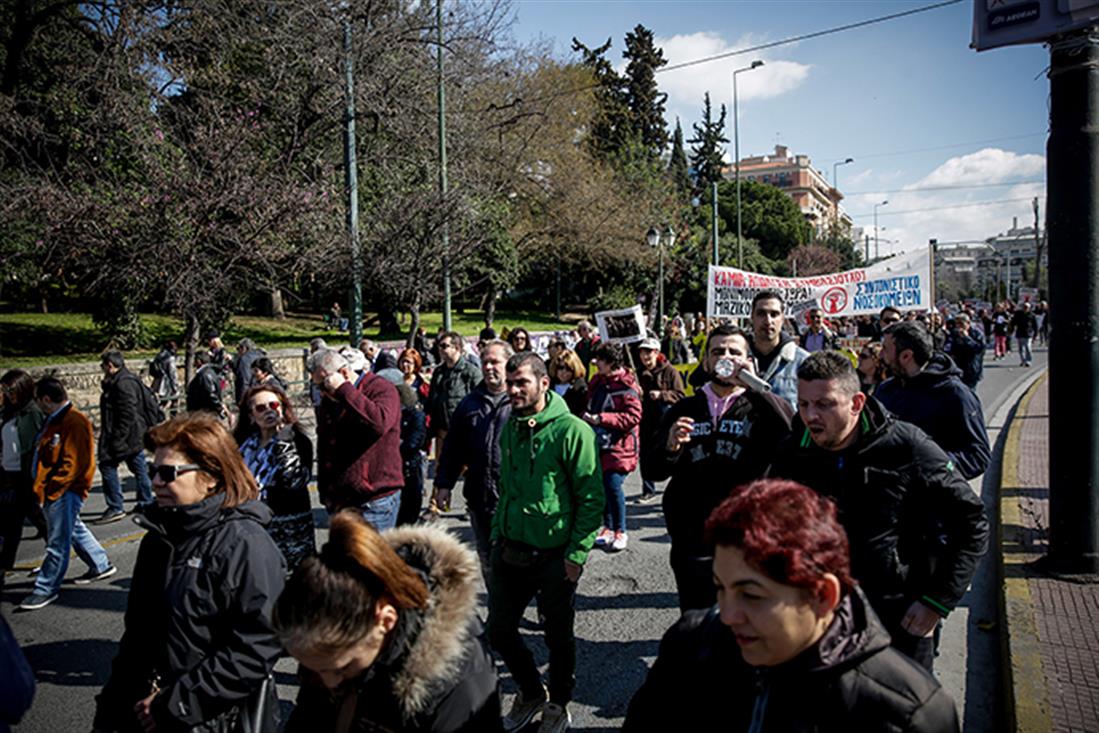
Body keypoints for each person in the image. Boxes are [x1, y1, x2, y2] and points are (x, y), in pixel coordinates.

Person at [623, 479, 960, 732]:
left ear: (822, 595)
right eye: (719, 588)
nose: (726, 614)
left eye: (751, 595)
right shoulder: (691, 644)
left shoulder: (910, 712)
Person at [768, 351, 989, 671]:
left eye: (824, 404)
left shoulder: (907, 446)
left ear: (856, 403)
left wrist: (936, 602)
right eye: (804, 404)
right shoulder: (792, 451)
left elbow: (972, 521)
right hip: (819, 620)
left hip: (898, 623)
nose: (811, 415)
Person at [94, 413, 285, 732]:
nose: (155, 481)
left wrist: (177, 704)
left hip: (209, 718)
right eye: (154, 471)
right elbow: (137, 638)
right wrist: (111, 709)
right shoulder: (158, 538)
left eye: (168, 473)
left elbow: (258, 645)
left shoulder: (245, 545)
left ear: (211, 476)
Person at [274, 512, 501, 732]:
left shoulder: (459, 682)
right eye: (312, 671)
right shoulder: (329, 651)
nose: (329, 683)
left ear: (385, 620)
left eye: (342, 669)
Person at [488, 353, 603, 732]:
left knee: (558, 636)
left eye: (522, 382)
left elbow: (591, 498)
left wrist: (577, 552)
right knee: (499, 630)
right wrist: (495, 537)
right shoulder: (511, 427)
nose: (514, 389)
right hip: (510, 548)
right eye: (510, 383)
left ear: (543, 383)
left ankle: (559, 702)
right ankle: (530, 691)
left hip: (555, 555)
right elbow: (506, 489)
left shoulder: (573, 430)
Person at [646, 325, 793, 612]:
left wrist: (757, 386)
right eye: (718, 351)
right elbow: (652, 470)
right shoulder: (684, 408)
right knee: (696, 618)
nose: (726, 357)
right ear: (706, 362)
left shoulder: (762, 407)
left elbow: (794, 432)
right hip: (693, 539)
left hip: (748, 539)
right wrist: (671, 447)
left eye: (734, 352)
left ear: (748, 361)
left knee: (745, 620)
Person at [19, 377, 115, 611]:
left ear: (46, 399)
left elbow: (73, 464)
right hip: (58, 490)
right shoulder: (57, 420)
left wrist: (53, 490)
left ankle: (45, 588)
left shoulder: (73, 421)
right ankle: (100, 564)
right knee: (73, 529)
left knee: (58, 542)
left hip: (63, 491)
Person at [432, 340, 513, 578]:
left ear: (509, 364)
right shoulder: (470, 403)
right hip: (481, 500)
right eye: (485, 361)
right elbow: (453, 448)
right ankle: (500, 612)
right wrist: (444, 484)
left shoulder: (524, 401)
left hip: (516, 500)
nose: (488, 367)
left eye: (495, 362)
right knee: (489, 561)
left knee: (520, 563)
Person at [876, 321, 991, 480]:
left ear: (906, 356)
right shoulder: (885, 390)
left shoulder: (955, 395)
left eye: (886, 349)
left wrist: (934, 465)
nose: (880, 355)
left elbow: (978, 456)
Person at [309, 348, 404, 530]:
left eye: (324, 385)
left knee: (371, 558)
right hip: (340, 499)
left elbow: (379, 424)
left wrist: (344, 389)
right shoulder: (331, 399)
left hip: (373, 500)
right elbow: (325, 445)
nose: (321, 392)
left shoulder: (381, 388)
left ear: (343, 373)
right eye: (317, 386)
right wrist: (325, 491)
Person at [234, 384, 316, 572]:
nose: (269, 411)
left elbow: (295, 482)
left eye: (274, 405)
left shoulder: (298, 441)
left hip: (289, 532)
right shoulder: (243, 444)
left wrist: (284, 444)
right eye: (261, 408)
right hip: (251, 529)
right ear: (251, 416)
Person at [583, 343, 642, 553]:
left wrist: (601, 419)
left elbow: (633, 416)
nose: (595, 363)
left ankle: (621, 530)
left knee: (613, 485)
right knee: (603, 486)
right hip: (599, 443)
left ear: (610, 362)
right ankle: (607, 527)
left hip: (620, 446)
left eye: (599, 359)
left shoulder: (627, 385)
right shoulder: (598, 381)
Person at [97, 351, 155, 523]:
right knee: (139, 467)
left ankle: (116, 506)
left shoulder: (122, 384)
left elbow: (127, 415)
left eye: (103, 366)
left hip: (125, 436)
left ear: (110, 366)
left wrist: (117, 438)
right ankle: (145, 501)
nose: (103, 369)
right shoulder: (128, 379)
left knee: (107, 466)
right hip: (134, 435)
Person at [1, 370, 47, 579]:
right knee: (11, 523)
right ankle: (5, 563)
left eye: (10, 390)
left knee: (39, 519)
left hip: (26, 475)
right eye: (4, 390)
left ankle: (57, 558)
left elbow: (38, 446)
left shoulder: (33, 412)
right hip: (9, 475)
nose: (7, 394)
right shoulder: (9, 412)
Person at [374, 371, 428, 527]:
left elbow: (413, 443)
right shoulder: (381, 413)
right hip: (385, 471)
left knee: (407, 515)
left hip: (408, 469)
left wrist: (389, 445)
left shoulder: (414, 414)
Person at [635, 337, 684, 503]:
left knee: (669, 454)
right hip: (645, 418)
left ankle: (674, 487)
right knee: (645, 455)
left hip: (664, 419)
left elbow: (680, 395)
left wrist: (662, 395)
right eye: (642, 352)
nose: (645, 356)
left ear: (657, 353)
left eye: (648, 352)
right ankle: (648, 490)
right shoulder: (638, 372)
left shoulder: (670, 371)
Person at [747, 290, 809, 410]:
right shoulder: (737, 359)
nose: (768, 321)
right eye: (761, 313)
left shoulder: (803, 362)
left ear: (782, 318)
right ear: (752, 317)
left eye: (774, 314)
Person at [425, 331, 483, 446]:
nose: (440, 349)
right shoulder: (439, 372)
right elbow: (432, 400)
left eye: (444, 346)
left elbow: (481, 403)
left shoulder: (471, 372)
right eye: (438, 345)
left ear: (456, 348)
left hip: (464, 434)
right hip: (442, 433)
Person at [943, 312, 986, 389]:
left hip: (971, 369)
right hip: (958, 368)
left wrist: (966, 338)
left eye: (961, 324)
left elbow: (979, 348)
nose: (959, 326)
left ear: (968, 323)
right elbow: (947, 347)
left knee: (970, 392)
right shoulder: (954, 334)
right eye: (957, 324)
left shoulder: (976, 333)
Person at [186, 351, 228, 419]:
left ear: (199, 361)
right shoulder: (210, 372)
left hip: (203, 413)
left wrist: (219, 408)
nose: (194, 363)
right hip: (205, 412)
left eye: (195, 360)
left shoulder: (204, 374)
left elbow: (210, 394)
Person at [232, 338, 265, 404]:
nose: (238, 352)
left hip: (251, 395)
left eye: (238, 349)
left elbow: (244, 380)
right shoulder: (261, 356)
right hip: (263, 392)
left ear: (244, 348)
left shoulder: (244, 360)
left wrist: (242, 401)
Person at [149, 340, 179, 408]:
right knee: (174, 401)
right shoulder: (170, 358)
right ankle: (173, 417)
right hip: (167, 383)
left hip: (158, 381)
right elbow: (172, 374)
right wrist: (175, 387)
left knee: (161, 402)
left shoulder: (159, 356)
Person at [1011, 302, 1038, 366]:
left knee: (1027, 347)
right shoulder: (1018, 314)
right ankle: (1023, 360)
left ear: (1029, 308)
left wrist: (1035, 334)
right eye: (1024, 307)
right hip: (1020, 332)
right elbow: (1013, 322)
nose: (1025, 308)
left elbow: (1035, 325)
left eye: (1027, 307)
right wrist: (1011, 329)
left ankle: (1028, 361)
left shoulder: (1032, 315)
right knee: (1021, 349)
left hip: (1028, 333)